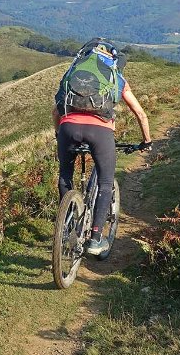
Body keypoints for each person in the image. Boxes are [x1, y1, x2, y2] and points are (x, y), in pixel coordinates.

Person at [53, 39, 151, 257]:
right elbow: (141, 114)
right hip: (100, 133)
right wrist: (147, 140)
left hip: (68, 129)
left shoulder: (74, 74)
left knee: (64, 177)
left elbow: (56, 111)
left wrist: (59, 134)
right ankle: (96, 239)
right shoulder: (117, 79)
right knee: (106, 183)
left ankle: (66, 224)